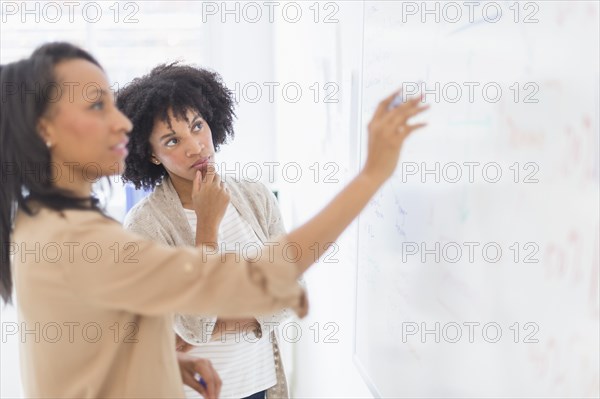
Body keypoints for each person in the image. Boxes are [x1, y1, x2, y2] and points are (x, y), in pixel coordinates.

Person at [0, 42, 428, 398]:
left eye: (111, 102)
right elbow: (249, 286)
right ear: (45, 131)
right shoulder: (84, 238)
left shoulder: (49, 221)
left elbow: (107, 339)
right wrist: (372, 174)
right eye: (97, 106)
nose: (119, 123)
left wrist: (167, 360)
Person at [117, 62, 306, 399]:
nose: (195, 147)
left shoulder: (255, 196)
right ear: (152, 155)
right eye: (172, 140)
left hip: (259, 385)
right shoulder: (144, 226)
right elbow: (194, 324)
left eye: (197, 126)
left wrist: (214, 327)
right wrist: (206, 227)